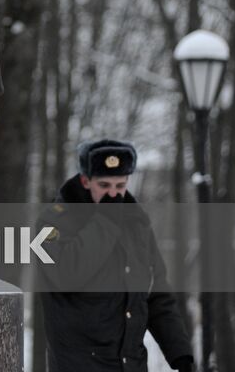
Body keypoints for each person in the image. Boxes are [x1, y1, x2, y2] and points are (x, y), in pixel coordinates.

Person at [40, 138, 194, 372]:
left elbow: (156, 295)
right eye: (104, 185)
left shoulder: (137, 225)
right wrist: (107, 221)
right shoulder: (51, 223)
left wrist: (180, 354)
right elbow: (66, 275)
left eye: (120, 186)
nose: (113, 194)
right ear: (85, 181)